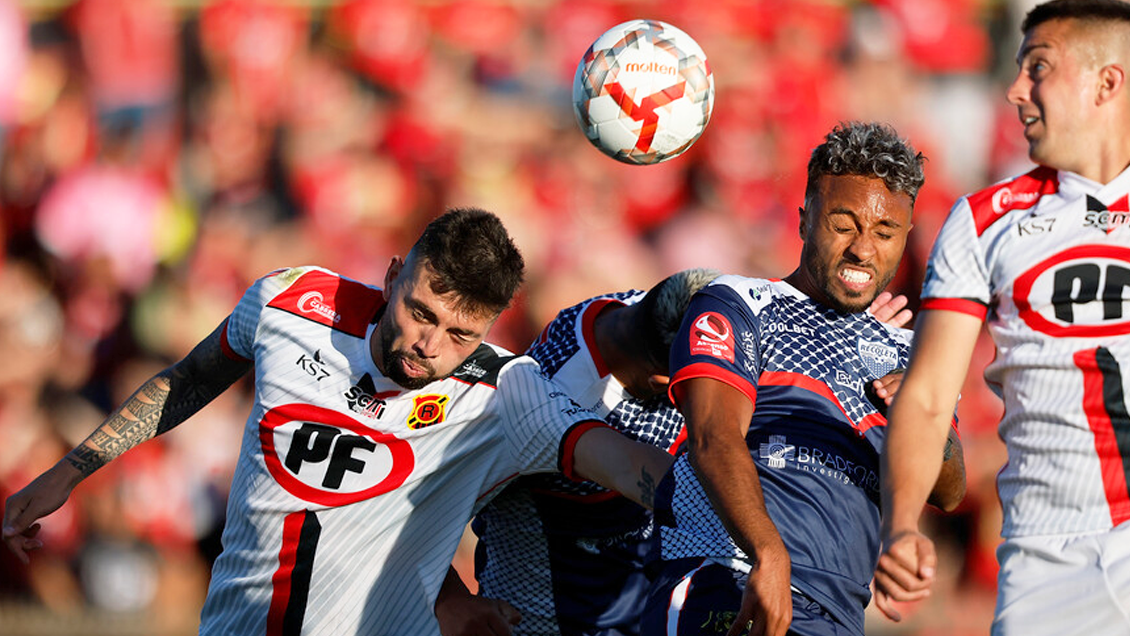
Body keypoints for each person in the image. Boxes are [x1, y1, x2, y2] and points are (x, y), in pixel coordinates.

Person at [2, 207, 676, 635]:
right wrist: (70, 470)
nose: (429, 343)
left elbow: (617, 462)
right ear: (391, 276)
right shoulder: (289, 303)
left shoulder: (506, 390)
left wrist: (733, 515)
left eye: (460, 333)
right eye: (421, 311)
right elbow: (190, 378)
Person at [436, 273, 914, 636]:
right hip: (547, 622)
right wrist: (450, 601)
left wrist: (847, 342)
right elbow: (417, 496)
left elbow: (756, 320)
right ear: (667, 387)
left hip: (657, 608)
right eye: (704, 382)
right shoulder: (540, 398)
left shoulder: (661, 316)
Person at [638, 121, 966, 636]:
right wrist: (769, 552)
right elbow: (712, 436)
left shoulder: (908, 350)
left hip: (838, 616)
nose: (863, 249)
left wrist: (925, 418)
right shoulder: (736, 304)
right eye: (843, 224)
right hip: (729, 583)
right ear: (803, 220)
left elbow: (949, 490)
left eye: (884, 233)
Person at [876, 1, 1130, 634]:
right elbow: (931, 393)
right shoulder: (984, 220)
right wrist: (901, 524)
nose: (1016, 90)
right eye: (1016, 69)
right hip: (1044, 556)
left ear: (1107, 82)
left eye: (1038, 68)